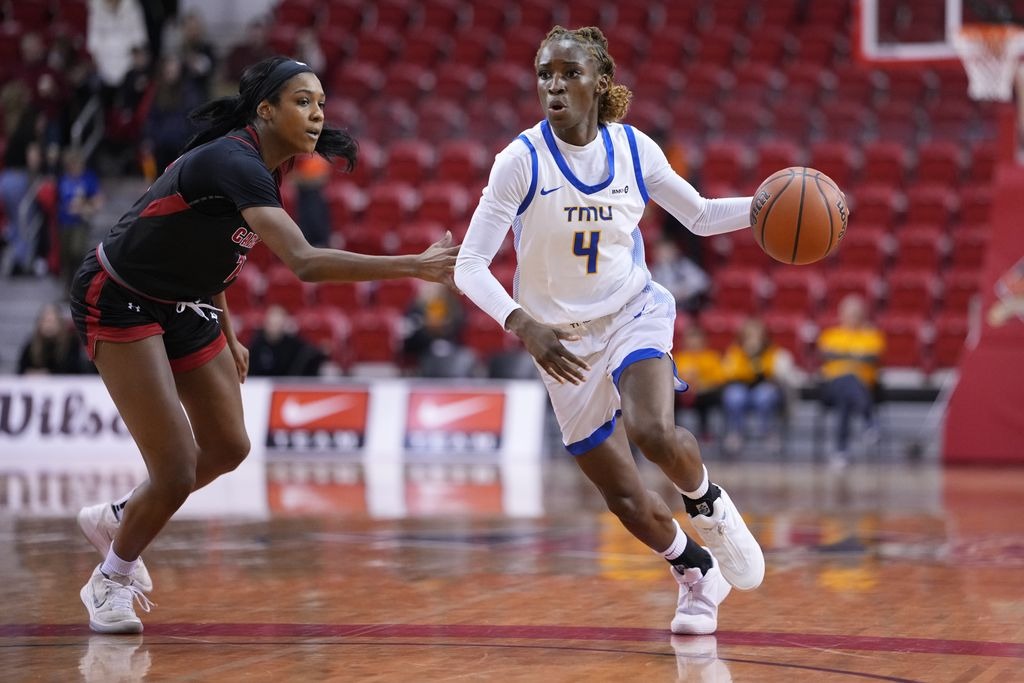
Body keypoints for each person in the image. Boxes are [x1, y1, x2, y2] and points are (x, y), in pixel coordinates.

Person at [69, 56, 458, 634]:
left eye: (322, 102)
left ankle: (122, 515)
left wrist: (230, 334)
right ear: (266, 109)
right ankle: (111, 579)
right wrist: (413, 265)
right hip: (120, 294)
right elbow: (303, 262)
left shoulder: (264, 173)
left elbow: (214, 256)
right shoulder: (235, 160)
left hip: (187, 302)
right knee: (175, 467)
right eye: (303, 100)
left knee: (228, 446)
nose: (318, 112)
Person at [454, 26, 764, 635]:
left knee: (652, 429)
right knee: (623, 499)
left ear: (599, 81)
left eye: (568, 72)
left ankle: (710, 506)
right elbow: (469, 265)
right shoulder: (519, 161)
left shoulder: (634, 150)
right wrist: (524, 326)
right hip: (557, 339)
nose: (554, 85)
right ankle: (696, 571)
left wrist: (762, 207)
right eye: (545, 74)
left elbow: (698, 216)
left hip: (631, 310)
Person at [816, 294, 886, 464]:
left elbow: (872, 357)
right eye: (850, 314)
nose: (853, 318)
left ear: (864, 315)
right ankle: (869, 420)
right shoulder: (831, 334)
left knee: (846, 395)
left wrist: (843, 357)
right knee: (847, 380)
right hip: (832, 387)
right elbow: (827, 354)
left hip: (865, 388)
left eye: (857, 314)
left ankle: (841, 451)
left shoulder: (872, 335)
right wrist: (856, 357)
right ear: (841, 315)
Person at [719, 317, 794, 456]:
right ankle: (736, 433)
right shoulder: (736, 351)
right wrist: (748, 359)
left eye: (756, 334)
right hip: (741, 387)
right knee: (734, 396)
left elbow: (774, 373)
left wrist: (756, 360)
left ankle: (767, 432)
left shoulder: (773, 351)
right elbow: (729, 373)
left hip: (765, 386)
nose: (753, 338)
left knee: (764, 396)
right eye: (749, 335)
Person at [56, 147, 103, 294]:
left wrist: (84, 206)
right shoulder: (63, 179)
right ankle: (67, 286)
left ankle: (78, 286)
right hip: (64, 222)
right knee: (66, 255)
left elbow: (98, 200)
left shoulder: (88, 178)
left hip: (80, 223)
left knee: (76, 251)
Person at [672, 325, 723, 441]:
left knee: (708, 397)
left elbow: (719, 379)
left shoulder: (711, 357)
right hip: (683, 393)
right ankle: (673, 431)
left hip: (704, 394)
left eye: (697, 339)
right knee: (670, 397)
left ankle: (706, 431)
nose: (693, 343)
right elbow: (673, 379)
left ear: (703, 341)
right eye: (690, 339)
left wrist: (701, 383)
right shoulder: (679, 358)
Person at [247, 304, 324, 376]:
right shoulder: (257, 343)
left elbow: (311, 354)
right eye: (272, 323)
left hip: (286, 385)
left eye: (277, 323)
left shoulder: (293, 344)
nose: (274, 327)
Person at [18, 302, 86, 374]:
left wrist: (47, 374)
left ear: (60, 323)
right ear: (39, 323)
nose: (49, 325)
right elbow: (20, 371)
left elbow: (74, 370)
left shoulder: (71, 344)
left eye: (52, 321)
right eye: (46, 321)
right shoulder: (31, 346)